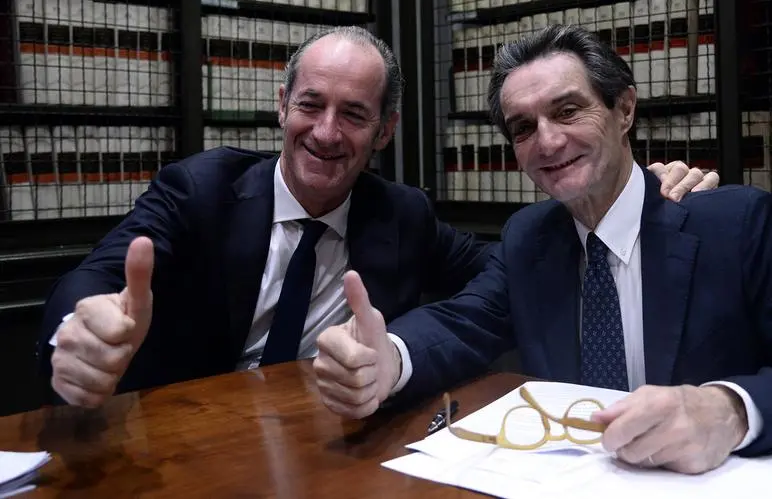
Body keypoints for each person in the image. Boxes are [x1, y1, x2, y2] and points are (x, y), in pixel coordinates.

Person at [41, 26, 715, 410]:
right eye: (311, 105)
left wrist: (629, 203)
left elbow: (510, 277)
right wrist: (79, 332)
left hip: (330, 432)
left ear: (385, 131)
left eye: (355, 114)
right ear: (282, 106)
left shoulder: (401, 213)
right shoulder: (202, 188)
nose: (326, 132)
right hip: (185, 432)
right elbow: (96, 279)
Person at [313, 24, 772, 476]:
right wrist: (388, 359)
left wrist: (731, 410)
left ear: (624, 109)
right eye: (524, 128)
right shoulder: (529, 238)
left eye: (568, 111)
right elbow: (463, 321)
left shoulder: (735, 225)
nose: (548, 142)